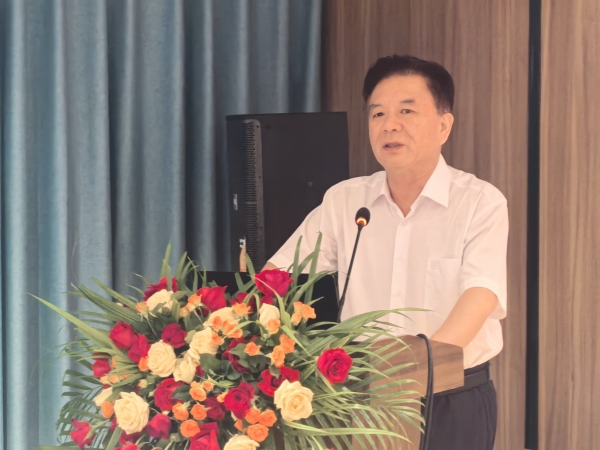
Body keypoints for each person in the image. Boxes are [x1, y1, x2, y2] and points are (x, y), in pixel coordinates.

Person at [263, 55, 507, 450]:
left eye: (406, 111)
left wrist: (417, 368)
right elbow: (277, 277)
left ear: (444, 126)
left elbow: (481, 295)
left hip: (450, 397)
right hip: (358, 394)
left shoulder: (480, 202)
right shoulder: (346, 201)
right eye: (378, 113)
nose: (389, 124)